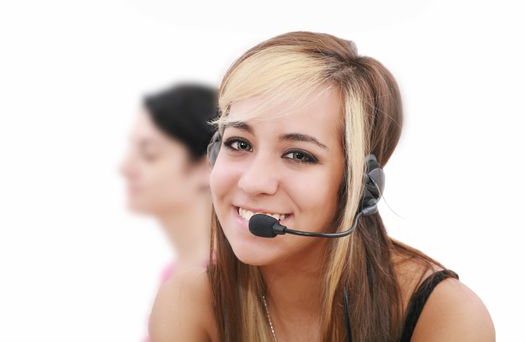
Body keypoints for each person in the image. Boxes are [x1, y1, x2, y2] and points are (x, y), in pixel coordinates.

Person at [149, 32, 495, 341]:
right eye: (239, 144)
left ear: (360, 186)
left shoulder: (443, 314)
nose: (254, 181)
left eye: (299, 155)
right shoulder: (188, 302)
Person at [120, 83, 217, 274]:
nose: (124, 168)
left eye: (149, 154)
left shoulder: (225, 283)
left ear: (206, 167)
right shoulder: (175, 273)